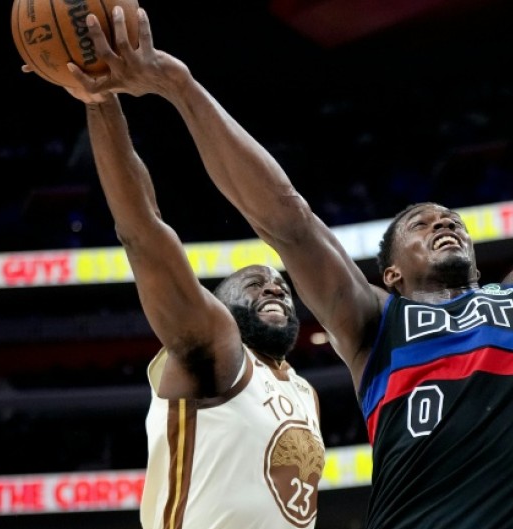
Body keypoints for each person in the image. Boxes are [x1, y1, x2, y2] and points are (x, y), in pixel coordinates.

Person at [56, 4, 513, 527]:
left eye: (450, 218)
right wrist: (178, 85)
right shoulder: (373, 324)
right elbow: (284, 219)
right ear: (391, 273)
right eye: (421, 223)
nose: (443, 220)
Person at [53, 72, 325, 528]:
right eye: (254, 282)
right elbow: (143, 232)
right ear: (218, 305)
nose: (275, 286)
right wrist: (101, 102)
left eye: (279, 283)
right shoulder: (215, 347)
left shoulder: (305, 391)